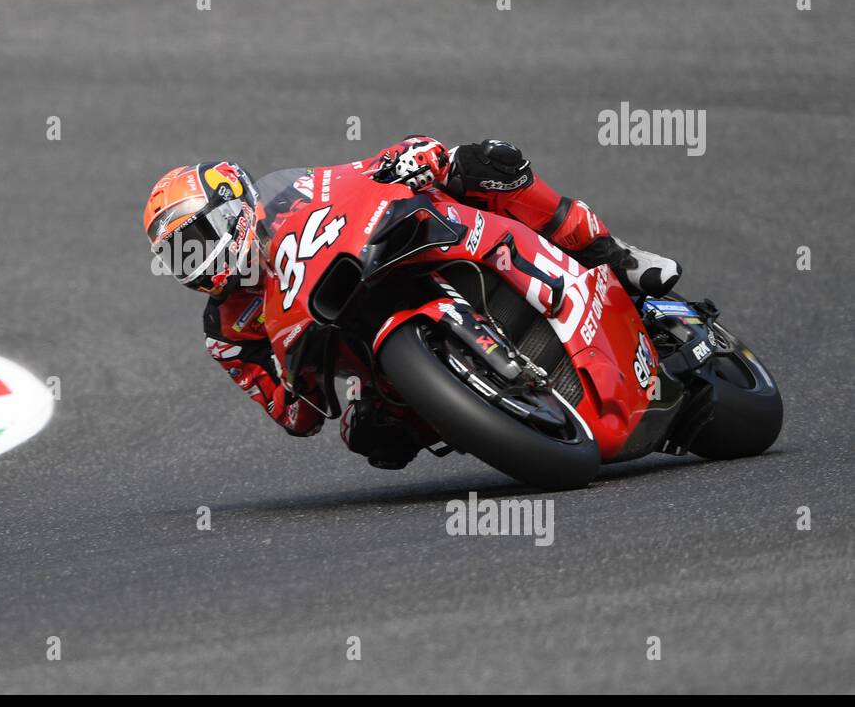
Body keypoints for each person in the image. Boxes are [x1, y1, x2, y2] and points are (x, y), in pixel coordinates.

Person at [142, 137, 681, 468]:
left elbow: (361, 172)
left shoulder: (297, 194)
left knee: (485, 162)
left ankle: (612, 252)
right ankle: (497, 412)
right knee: (371, 439)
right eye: (182, 255)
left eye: (202, 235)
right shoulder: (227, 331)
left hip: (392, 252)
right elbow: (296, 419)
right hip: (357, 351)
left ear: (235, 204)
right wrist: (297, 387)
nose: (201, 257)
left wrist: (409, 157)